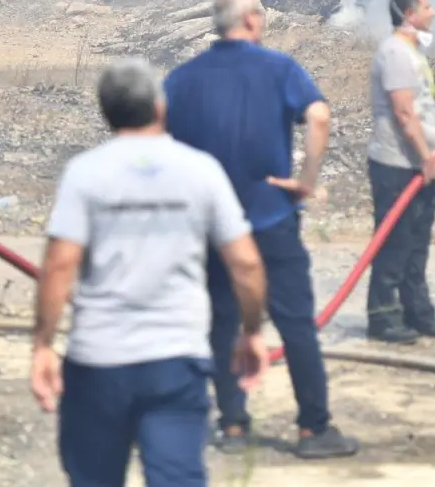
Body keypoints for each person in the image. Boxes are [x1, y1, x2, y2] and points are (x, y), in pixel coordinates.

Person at [30, 57, 269, 487]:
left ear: (106, 114)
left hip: (99, 360)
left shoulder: (86, 173)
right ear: (160, 107)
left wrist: (43, 345)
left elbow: (59, 265)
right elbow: (247, 263)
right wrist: (252, 331)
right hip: (176, 362)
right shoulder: (201, 170)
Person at [163, 0, 359, 460]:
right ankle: (313, 430)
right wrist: (306, 180)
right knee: (296, 323)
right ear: (250, 20)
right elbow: (318, 116)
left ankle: (232, 424)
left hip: (212, 226)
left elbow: (159, 142)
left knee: (222, 320)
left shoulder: (181, 79)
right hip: (271, 216)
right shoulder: (279, 69)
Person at [365, 0, 435, 344]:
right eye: (427, 6)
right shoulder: (396, 52)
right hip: (398, 164)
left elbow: (424, 108)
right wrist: (426, 157)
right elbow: (403, 112)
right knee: (395, 241)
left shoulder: (413, 52)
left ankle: (418, 312)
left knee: (417, 243)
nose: (434, 12)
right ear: (410, 14)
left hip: (418, 165)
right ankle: (383, 318)